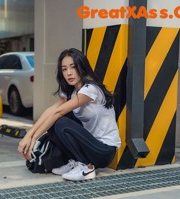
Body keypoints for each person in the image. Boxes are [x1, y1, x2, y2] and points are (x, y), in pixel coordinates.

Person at [17, 48, 121, 181]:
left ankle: (86, 168)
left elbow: (58, 112)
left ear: (81, 67)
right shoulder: (71, 92)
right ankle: (74, 161)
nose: (69, 73)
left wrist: (33, 139)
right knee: (54, 122)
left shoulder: (91, 90)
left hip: (104, 150)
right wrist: (28, 135)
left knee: (61, 121)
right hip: (89, 145)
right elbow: (50, 110)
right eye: (64, 69)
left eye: (73, 67)